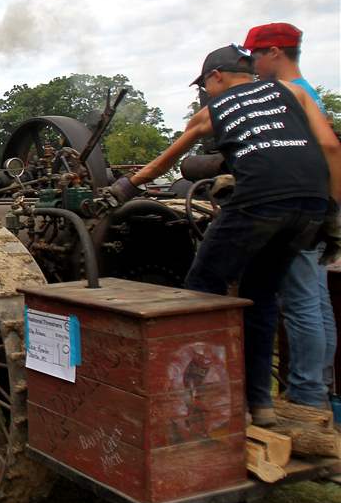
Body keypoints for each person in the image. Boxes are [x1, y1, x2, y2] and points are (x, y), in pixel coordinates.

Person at [104, 44, 341, 425]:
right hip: (311, 202)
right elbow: (330, 145)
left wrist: (123, 188)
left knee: (200, 292)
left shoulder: (213, 110)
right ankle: (259, 403)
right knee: (261, 295)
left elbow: (163, 164)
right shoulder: (292, 91)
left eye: (205, 85)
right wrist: (332, 212)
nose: (206, 92)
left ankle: (208, 401)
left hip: (259, 199)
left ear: (216, 77)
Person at [244, 22, 337, 413]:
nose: (252, 65)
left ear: (274, 53)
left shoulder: (290, 94)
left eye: (255, 56)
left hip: (301, 211)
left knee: (300, 305)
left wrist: (331, 210)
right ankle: (321, 390)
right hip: (316, 209)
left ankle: (306, 396)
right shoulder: (306, 91)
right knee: (316, 302)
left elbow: (330, 148)